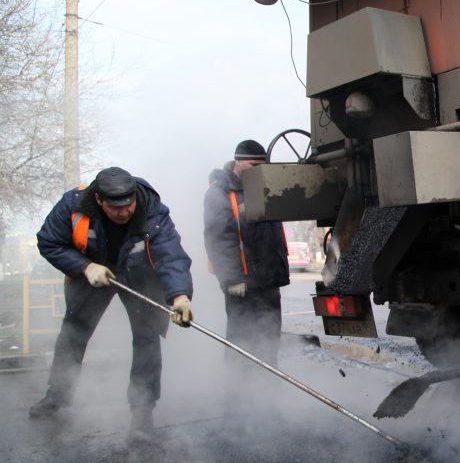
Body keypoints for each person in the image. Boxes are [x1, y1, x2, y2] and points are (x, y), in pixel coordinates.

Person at [30, 166, 194, 436]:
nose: (124, 212)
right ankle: (56, 397)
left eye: (128, 206)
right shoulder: (72, 206)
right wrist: (84, 267)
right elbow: (49, 242)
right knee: (73, 334)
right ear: (99, 200)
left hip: (139, 276)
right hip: (93, 274)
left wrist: (180, 296)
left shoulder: (153, 209)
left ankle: (142, 409)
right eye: (115, 207)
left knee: (146, 337)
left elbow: (171, 255)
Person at [203, 140, 289, 372]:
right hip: (241, 283)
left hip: (268, 278)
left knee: (269, 339)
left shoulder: (265, 185)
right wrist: (231, 278)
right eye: (253, 164)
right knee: (241, 341)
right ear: (238, 161)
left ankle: (267, 389)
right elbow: (218, 238)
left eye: (262, 164)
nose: (258, 169)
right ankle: (237, 394)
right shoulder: (220, 192)